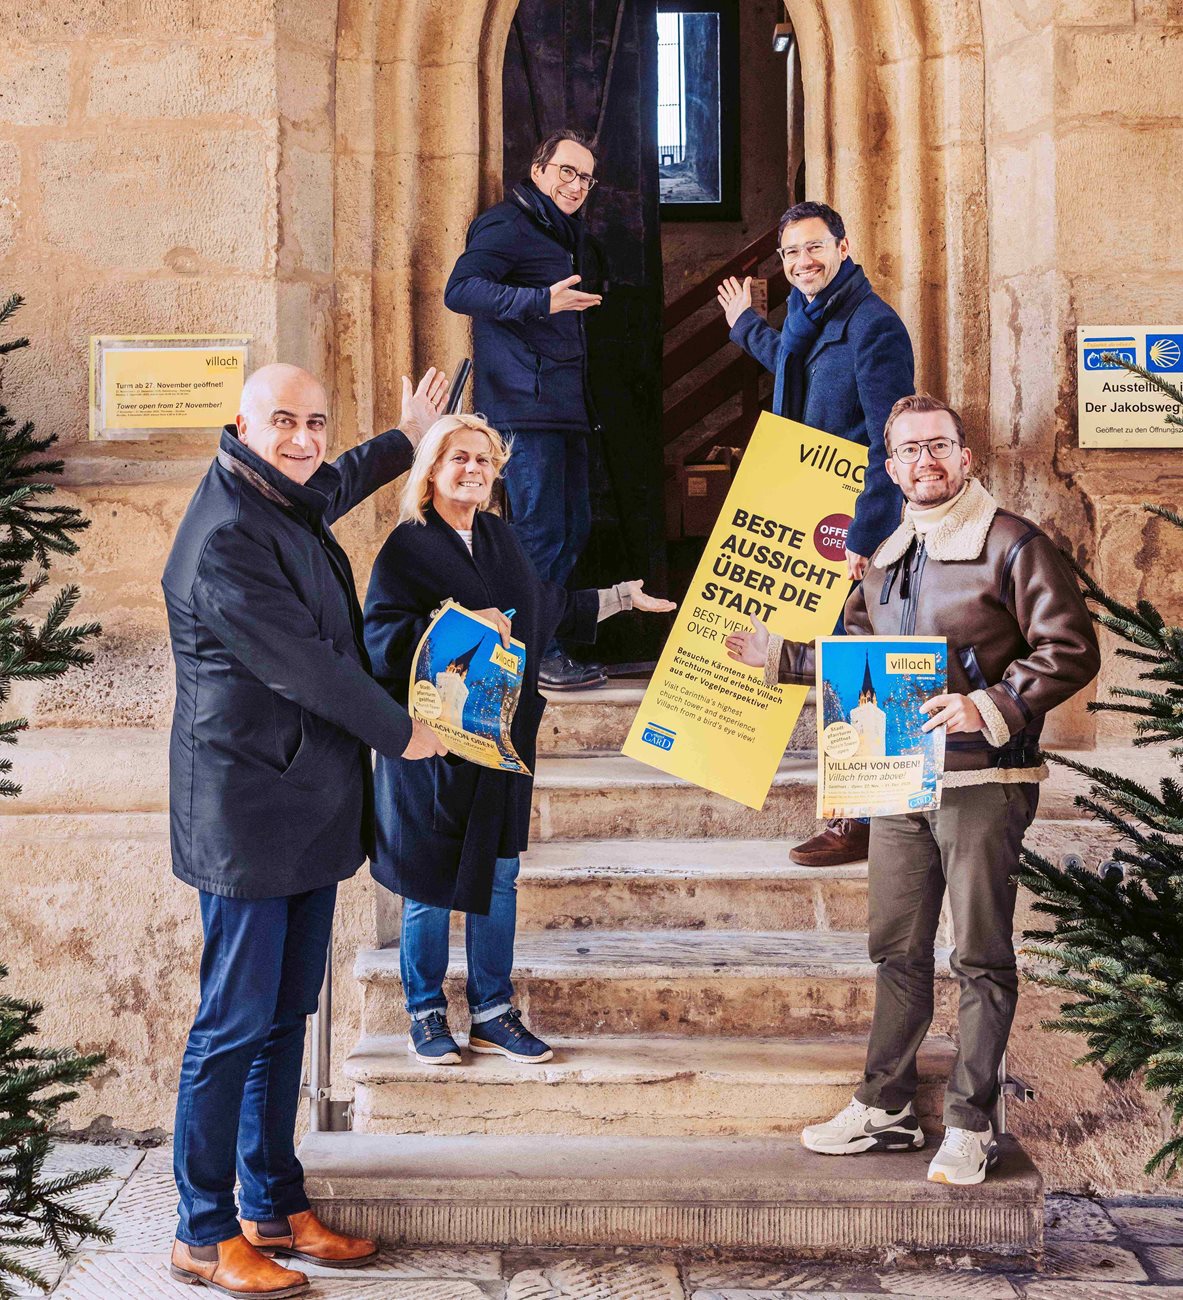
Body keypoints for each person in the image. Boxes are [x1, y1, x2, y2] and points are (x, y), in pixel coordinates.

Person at [725, 393, 1099, 1186]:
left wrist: (989, 703)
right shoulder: (892, 552)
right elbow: (862, 647)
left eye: (938, 447)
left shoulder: (1011, 544)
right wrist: (778, 655)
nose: (923, 462)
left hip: (981, 778)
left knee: (979, 955)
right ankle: (885, 1108)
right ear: (890, 467)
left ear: (964, 457)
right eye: (907, 452)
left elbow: (1069, 647)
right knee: (895, 948)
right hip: (897, 775)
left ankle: (971, 1121)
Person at [163, 363, 450, 1297]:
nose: (302, 439)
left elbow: (331, 484)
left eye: (315, 422)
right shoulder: (224, 540)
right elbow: (305, 670)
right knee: (231, 1025)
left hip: (304, 804)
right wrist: (401, 731)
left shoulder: (277, 494)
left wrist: (404, 437)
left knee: (287, 1017)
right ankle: (202, 1235)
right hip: (246, 817)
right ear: (239, 424)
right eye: (282, 421)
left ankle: (272, 1205)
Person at [363, 414, 675, 1066]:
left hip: (500, 739)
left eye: (483, 459)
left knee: (499, 876)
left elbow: (544, 605)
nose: (473, 470)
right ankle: (424, 1013)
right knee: (427, 885)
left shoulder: (501, 539)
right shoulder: (407, 546)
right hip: (434, 742)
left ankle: (491, 1013)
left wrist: (620, 598)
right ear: (431, 472)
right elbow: (378, 639)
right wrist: (451, 621)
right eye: (459, 459)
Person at [718, 200, 915, 868]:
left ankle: (854, 824)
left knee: (854, 668)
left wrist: (865, 534)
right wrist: (744, 326)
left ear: (843, 245)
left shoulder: (872, 324)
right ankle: (853, 814)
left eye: (814, 248)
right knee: (821, 657)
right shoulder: (807, 313)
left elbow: (892, 439)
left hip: (856, 523)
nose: (803, 262)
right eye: (791, 253)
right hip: (805, 512)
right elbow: (792, 368)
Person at [444, 129, 607, 690]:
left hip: (562, 409)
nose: (576, 184)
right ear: (538, 170)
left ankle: (540, 642)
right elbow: (460, 290)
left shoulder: (564, 231)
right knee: (539, 532)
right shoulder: (506, 223)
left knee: (571, 529)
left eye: (585, 177)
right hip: (522, 408)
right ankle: (531, 655)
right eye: (566, 171)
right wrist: (541, 300)